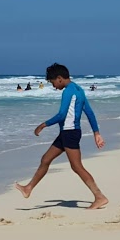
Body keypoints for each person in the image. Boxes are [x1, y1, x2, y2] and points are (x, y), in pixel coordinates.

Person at [15, 62, 108, 209]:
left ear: (59, 78)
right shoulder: (78, 89)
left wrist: (43, 124)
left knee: (77, 167)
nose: (53, 86)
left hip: (70, 133)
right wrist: (96, 133)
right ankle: (28, 188)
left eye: (53, 83)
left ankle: (99, 197)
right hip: (67, 133)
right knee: (45, 159)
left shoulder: (68, 91)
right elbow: (89, 112)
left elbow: (61, 115)